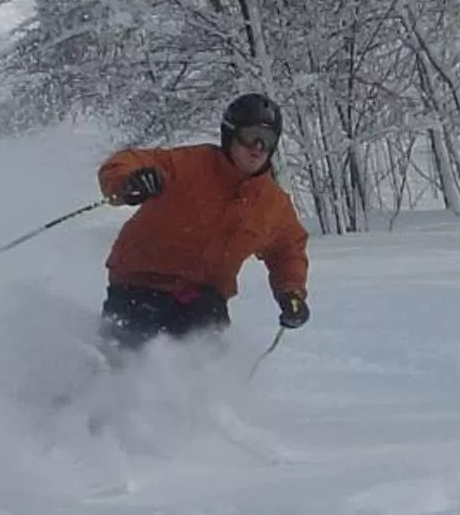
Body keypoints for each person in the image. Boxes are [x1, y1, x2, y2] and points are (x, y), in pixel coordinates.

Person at [95, 92, 310, 351]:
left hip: (203, 302)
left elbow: (287, 249)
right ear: (230, 134)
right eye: (250, 136)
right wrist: (130, 181)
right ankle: (92, 387)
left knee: (208, 366)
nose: (257, 148)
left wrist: (291, 292)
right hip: (139, 287)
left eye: (267, 140)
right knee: (126, 358)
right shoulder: (190, 166)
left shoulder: (272, 203)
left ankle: (211, 393)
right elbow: (125, 162)